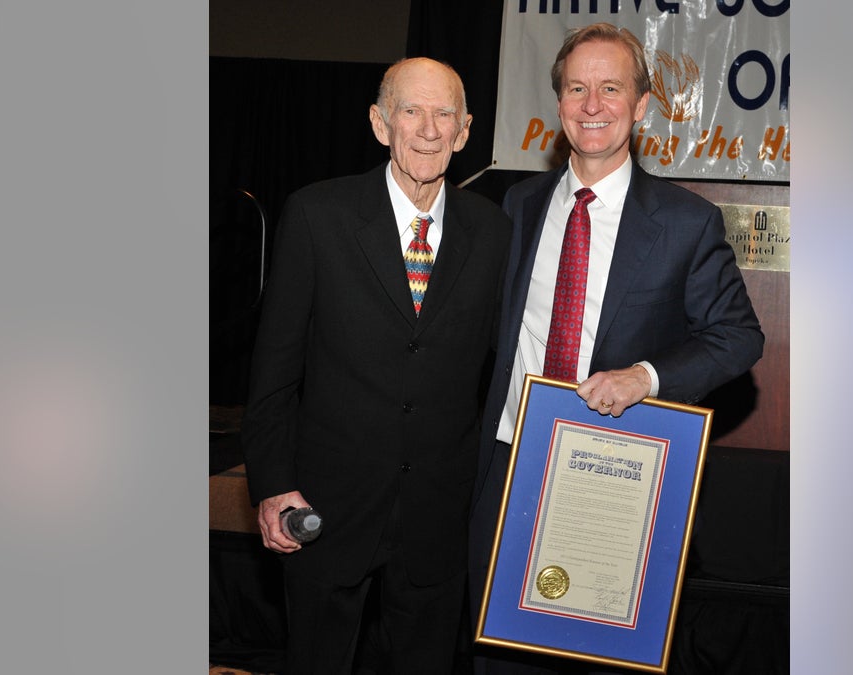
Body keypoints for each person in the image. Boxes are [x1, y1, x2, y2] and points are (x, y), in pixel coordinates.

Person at [467, 23, 765, 673]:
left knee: (596, 658)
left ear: (641, 105)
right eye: (577, 88)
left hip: (610, 471)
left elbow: (740, 335)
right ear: (559, 103)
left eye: (610, 88)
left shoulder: (687, 222)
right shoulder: (517, 204)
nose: (592, 104)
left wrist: (647, 376)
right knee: (497, 653)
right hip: (508, 461)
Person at [240, 57, 511, 675]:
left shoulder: (493, 232)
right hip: (324, 507)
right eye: (410, 110)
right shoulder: (317, 215)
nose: (428, 129)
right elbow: (274, 369)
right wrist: (273, 482)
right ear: (378, 122)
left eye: (444, 114)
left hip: (439, 515)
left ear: (465, 131)